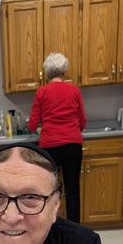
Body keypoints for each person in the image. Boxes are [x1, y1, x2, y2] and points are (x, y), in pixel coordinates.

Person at [28, 52, 86, 223]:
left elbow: (32, 125)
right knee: (72, 190)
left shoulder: (41, 92)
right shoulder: (74, 91)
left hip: (49, 148)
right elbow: (82, 121)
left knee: (49, 190)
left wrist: (38, 125)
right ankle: (75, 227)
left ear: (46, 73)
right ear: (65, 71)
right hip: (72, 146)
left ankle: (49, 224)